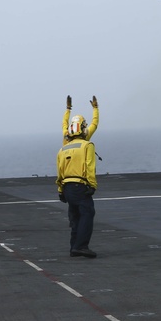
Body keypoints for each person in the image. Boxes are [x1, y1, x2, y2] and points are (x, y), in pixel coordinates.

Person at [57, 95, 99, 258]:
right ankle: (81, 246)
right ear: (82, 128)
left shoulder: (64, 147)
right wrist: (92, 185)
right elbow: (89, 166)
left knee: (75, 217)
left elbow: (59, 170)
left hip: (67, 188)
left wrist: (67, 110)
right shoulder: (86, 145)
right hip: (80, 186)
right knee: (87, 213)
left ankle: (74, 246)